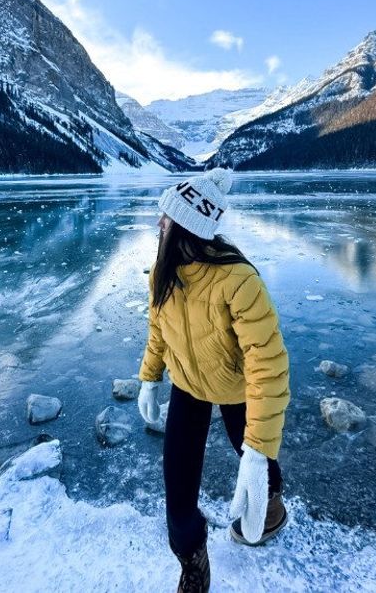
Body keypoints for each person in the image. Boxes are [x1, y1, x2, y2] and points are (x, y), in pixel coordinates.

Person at [136, 168, 291, 593]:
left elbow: (268, 364)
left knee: (254, 456)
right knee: (178, 493)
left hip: (236, 388)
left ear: (185, 226)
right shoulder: (161, 274)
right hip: (188, 387)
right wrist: (150, 377)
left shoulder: (238, 281)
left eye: (164, 219)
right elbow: (158, 329)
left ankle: (271, 502)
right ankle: (193, 562)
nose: (157, 225)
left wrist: (258, 451)